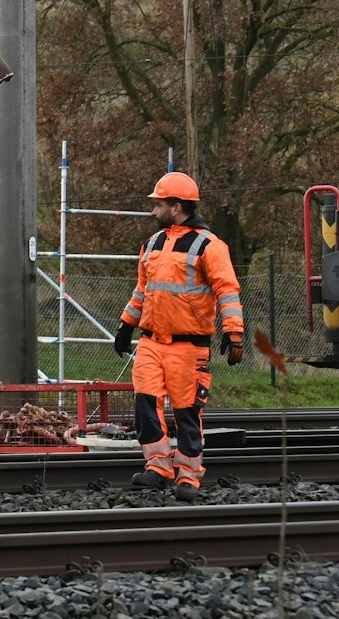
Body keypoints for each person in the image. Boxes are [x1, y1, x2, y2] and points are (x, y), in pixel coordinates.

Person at [113, 171, 245, 502]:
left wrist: (234, 332)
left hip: (188, 347)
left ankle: (188, 476)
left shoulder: (210, 246)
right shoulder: (153, 243)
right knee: (145, 405)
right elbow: (144, 291)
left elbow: (227, 290)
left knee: (187, 413)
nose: (153, 211)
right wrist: (126, 325)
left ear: (176, 206)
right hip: (151, 342)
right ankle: (158, 468)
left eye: (158, 204)